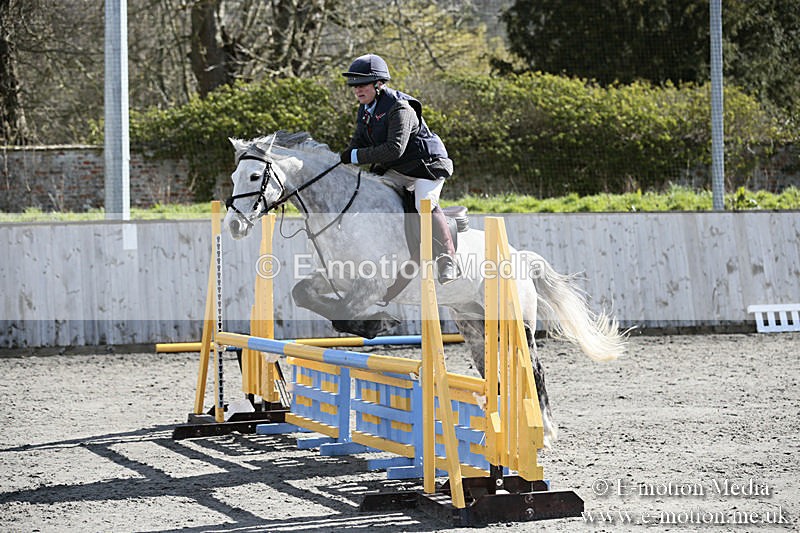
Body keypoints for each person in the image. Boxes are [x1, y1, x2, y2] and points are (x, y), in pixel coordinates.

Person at [339, 53, 458, 284]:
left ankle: (447, 258)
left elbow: (394, 149)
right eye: (354, 86)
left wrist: (354, 156)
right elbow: (357, 142)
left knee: (423, 202)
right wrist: (340, 160)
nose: (357, 90)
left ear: (378, 84)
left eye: (362, 85)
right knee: (367, 193)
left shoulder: (400, 108)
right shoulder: (365, 109)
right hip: (400, 168)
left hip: (427, 166)